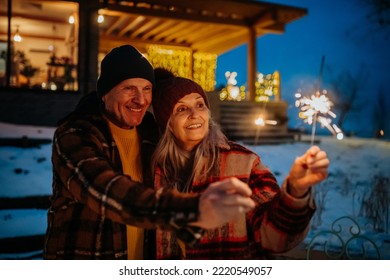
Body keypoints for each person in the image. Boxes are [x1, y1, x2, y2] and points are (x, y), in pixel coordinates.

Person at [43, 45, 255, 260]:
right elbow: (105, 190)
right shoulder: (75, 133)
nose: (141, 99)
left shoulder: (150, 133)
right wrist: (188, 209)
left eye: (146, 89)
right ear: (105, 94)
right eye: (129, 89)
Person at [150, 68, 330, 259]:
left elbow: (276, 236)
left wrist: (295, 191)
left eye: (200, 105)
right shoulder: (154, 170)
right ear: (166, 122)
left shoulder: (243, 162)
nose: (195, 114)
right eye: (181, 109)